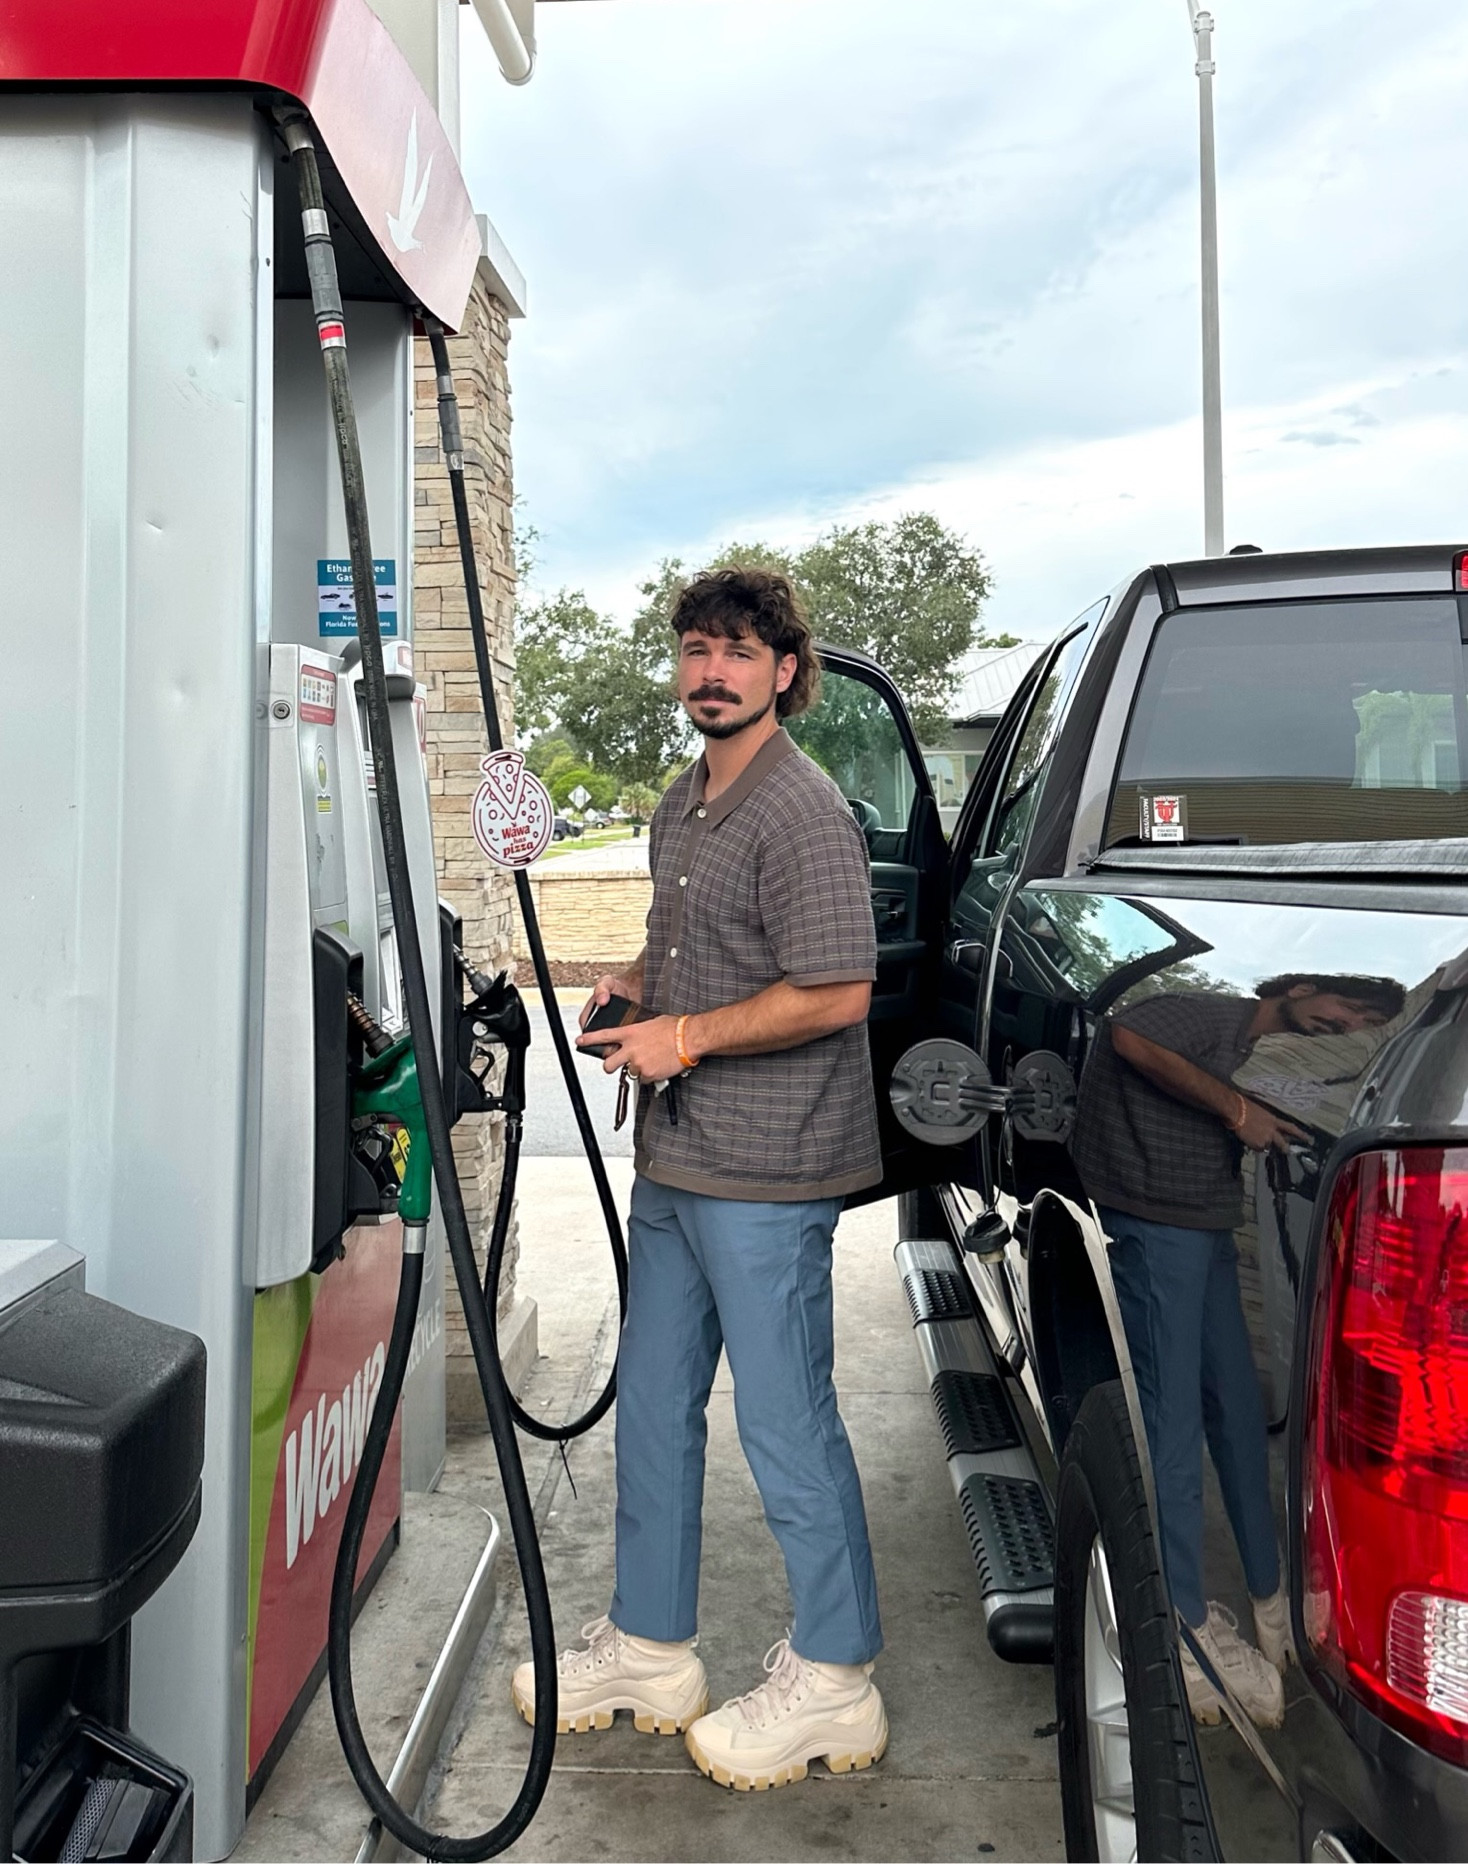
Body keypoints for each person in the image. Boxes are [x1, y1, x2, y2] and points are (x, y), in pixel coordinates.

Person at [511, 566, 887, 1792]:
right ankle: (652, 1648)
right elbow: (706, 956)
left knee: (785, 1422)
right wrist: (637, 986)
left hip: (768, 1172)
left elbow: (834, 988)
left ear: (785, 671)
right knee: (654, 1406)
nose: (708, 671)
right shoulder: (686, 800)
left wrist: (688, 1037)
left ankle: (836, 1679)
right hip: (676, 1158)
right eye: (692, 649)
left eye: (734, 651)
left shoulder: (801, 808)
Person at [1073, 972, 1404, 1728]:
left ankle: (1269, 1602)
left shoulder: (1256, 1046)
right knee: (1174, 1427)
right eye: (1342, 1008)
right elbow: (1129, 1035)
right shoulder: (1208, 1007)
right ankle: (1184, 1625)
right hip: (1158, 1223)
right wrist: (1238, 1111)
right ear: (1299, 985)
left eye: (1358, 1022)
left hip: (1206, 1220)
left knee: (1238, 1415)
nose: (1341, 1024)